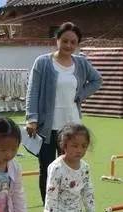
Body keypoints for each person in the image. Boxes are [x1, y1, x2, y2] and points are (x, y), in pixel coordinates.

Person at [24, 22, 103, 202]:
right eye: (65, 41)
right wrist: (32, 118)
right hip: (47, 126)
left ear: (77, 44)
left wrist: (80, 94)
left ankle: (66, 206)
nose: (68, 45)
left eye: (73, 42)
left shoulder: (81, 63)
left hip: (72, 127)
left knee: (69, 167)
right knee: (47, 168)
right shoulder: (43, 62)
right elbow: (32, 90)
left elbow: (97, 80)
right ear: (57, 40)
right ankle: (48, 210)